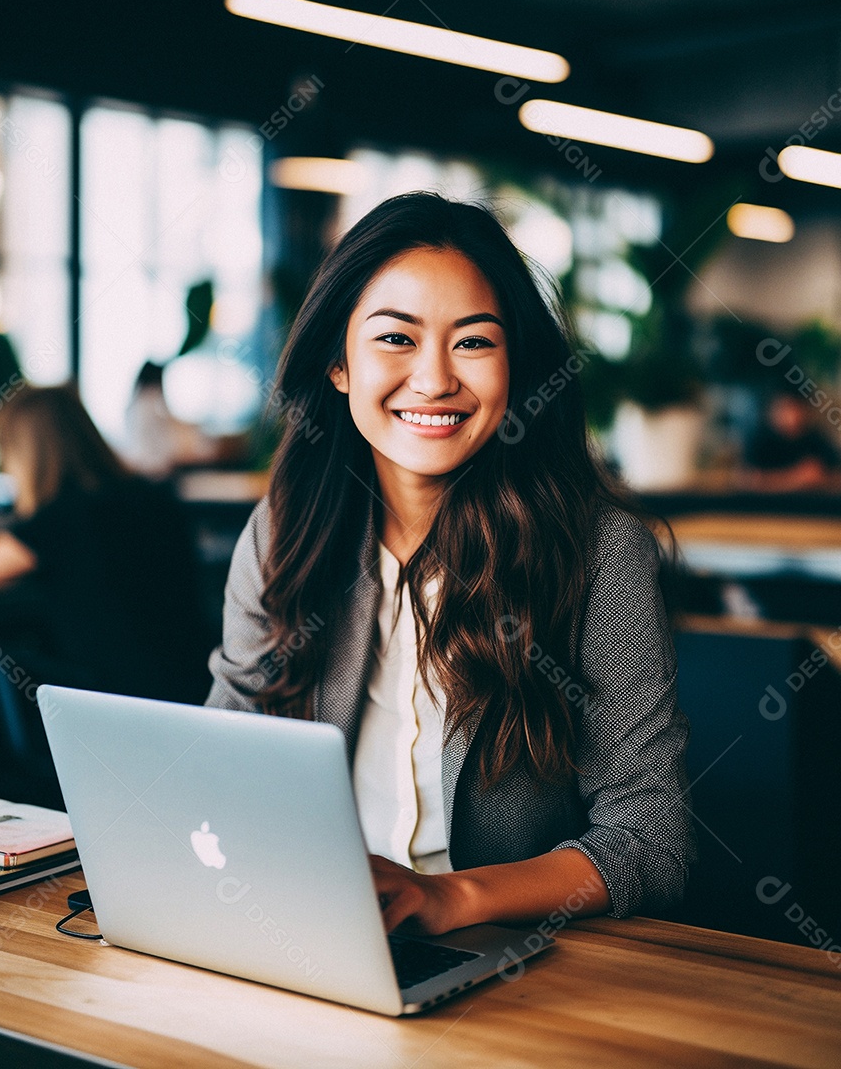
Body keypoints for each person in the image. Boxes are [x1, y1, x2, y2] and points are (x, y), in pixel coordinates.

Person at [207, 192, 696, 936]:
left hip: (508, 965)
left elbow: (652, 839)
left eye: (473, 342)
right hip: (304, 936)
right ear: (338, 364)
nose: (435, 379)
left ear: (516, 366)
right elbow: (218, 761)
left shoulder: (600, 553)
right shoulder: (285, 533)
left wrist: (451, 898)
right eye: (396, 339)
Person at [0, 383, 211, 705]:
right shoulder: (154, 499)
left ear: (22, 453)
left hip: (111, 701)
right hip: (195, 686)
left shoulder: (55, 522)